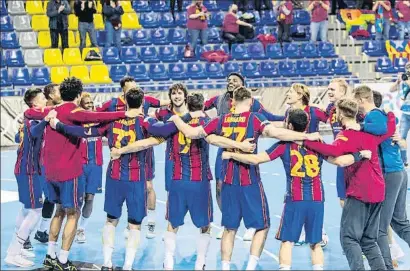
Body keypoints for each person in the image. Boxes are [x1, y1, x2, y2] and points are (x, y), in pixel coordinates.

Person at [169, 87, 322, 270]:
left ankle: (225, 267)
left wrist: (176, 119)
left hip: (227, 179)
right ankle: (251, 266)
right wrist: (306, 136)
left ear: (232, 102)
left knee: (229, 228)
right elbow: (277, 133)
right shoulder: (254, 118)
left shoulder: (221, 120)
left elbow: (192, 133)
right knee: (262, 226)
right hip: (249, 179)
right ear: (250, 102)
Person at [112, 93, 256, 270]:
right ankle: (200, 262)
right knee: (205, 226)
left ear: (187, 104)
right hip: (200, 182)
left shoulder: (174, 125)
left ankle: (168, 262)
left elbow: (148, 142)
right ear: (203, 107)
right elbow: (219, 138)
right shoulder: (207, 124)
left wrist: (122, 150)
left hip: (178, 180)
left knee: (173, 224)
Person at [221, 108, 372, 271]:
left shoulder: (284, 145)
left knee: (288, 241)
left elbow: (256, 159)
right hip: (317, 200)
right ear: (307, 125)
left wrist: (231, 155)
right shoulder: (318, 144)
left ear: (290, 126)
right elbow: (340, 162)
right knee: (315, 243)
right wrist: (360, 155)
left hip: (295, 199)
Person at [27, 77, 139, 271]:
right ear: (79, 95)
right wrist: (127, 113)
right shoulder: (74, 111)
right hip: (69, 172)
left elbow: (29, 112)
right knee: (73, 213)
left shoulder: (52, 110)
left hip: (50, 171)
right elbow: (98, 117)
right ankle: (62, 260)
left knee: (58, 211)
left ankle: (50, 255)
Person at [51, 87, 163, 271]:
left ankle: (107, 263)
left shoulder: (113, 122)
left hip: (114, 176)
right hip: (136, 177)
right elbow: (164, 132)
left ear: (125, 102)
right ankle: (127, 266)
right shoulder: (146, 122)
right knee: (134, 224)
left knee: (111, 220)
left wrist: (60, 126)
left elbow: (85, 133)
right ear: (143, 102)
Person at [303, 97, 396, 270]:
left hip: (361, 191)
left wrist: (306, 141)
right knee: (368, 240)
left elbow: (333, 151)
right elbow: (389, 129)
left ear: (341, 114)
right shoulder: (370, 133)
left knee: (349, 238)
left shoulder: (346, 135)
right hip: (378, 190)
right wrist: (390, 113)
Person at [204, 73, 284, 241]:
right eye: (228, 80)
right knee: (220, 186)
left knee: (248, 185)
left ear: (243, 83)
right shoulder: (218, 99)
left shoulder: (251, 102)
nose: (230, 82)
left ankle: (250, 224)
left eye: (234, 80)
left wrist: (289, 118)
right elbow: (197, 108)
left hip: (246, 150)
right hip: (225, 149)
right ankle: (227, 219)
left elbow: (270, 117)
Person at [97, 76, 169, 239]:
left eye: (136, 87)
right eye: (130, 88)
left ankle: (150, 222)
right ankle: (129, 224)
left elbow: (167, 103)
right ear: (123, 90)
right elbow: (95, 115)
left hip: (143, 154)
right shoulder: (112, 104)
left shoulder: (144, 100)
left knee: (148, 186)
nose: (134, 90)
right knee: (124, 192)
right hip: (120, 158)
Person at [352, 86, 410, 271]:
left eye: (355, 102)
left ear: (362, 100)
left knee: (379, 229)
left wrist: (358, 127)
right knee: (399, 222)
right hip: (398, 171)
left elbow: (380, 128)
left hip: (388, 173)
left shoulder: (373, 116)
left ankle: (386, 267)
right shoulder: (383, 114)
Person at [5, 88, 51, 267]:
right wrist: (46, 119)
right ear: (34, 103)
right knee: (36, 211)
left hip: (27, 168)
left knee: (26, 208)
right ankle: (13, 252)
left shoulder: (30, 117)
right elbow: (34, 132)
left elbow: (19, 136)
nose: (45, 100)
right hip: (29, 169)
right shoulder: (33, 117)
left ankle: (20, 246)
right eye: (41, 98)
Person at [284, 83, 329, 247]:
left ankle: (320, 231)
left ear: (300, 95)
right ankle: (304, 229)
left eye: (291, 91)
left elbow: (330, 118)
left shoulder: (314, 111)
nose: (287, 93)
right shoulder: (288, 112)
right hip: (294, 154)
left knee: (313, 189)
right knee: (295, 189)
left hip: (312, 155)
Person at [74, 92, 104, 243]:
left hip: (96, 164)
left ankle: (81, 229)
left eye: (92, 103)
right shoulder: (77, 121)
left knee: (90, 198)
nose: (91, 105)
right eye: (87, 103)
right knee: (79, 199)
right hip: (80, 164)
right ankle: (72, 226)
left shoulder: (99, 119)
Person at [390, 61, 410, 167]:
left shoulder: (406, 80)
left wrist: (405, 80)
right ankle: (404, 161)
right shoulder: (404, 79)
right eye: (407, 67)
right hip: (405, 113)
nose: (408, 70)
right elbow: (391, 89)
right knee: (401, 137)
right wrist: (398, 81)